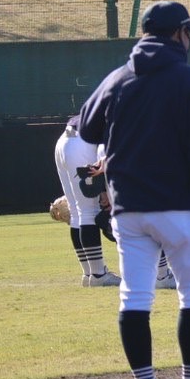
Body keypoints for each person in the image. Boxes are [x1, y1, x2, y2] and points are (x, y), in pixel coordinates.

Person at [76, 0, 190, 379]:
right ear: (178, 33)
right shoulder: (188, 79)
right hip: (178, 207)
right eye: (188, 33)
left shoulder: (118, 77)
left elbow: (88, 126)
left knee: (134, 297)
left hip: (128, 210)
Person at [52, 114, 118, 285]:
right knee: (88, 212)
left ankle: (89, 274)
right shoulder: (131, 110)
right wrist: (107, 192)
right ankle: (98, 275)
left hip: (64, 141)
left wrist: (103, 190)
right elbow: (104, 150)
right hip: (83, 144)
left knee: (77, 213)